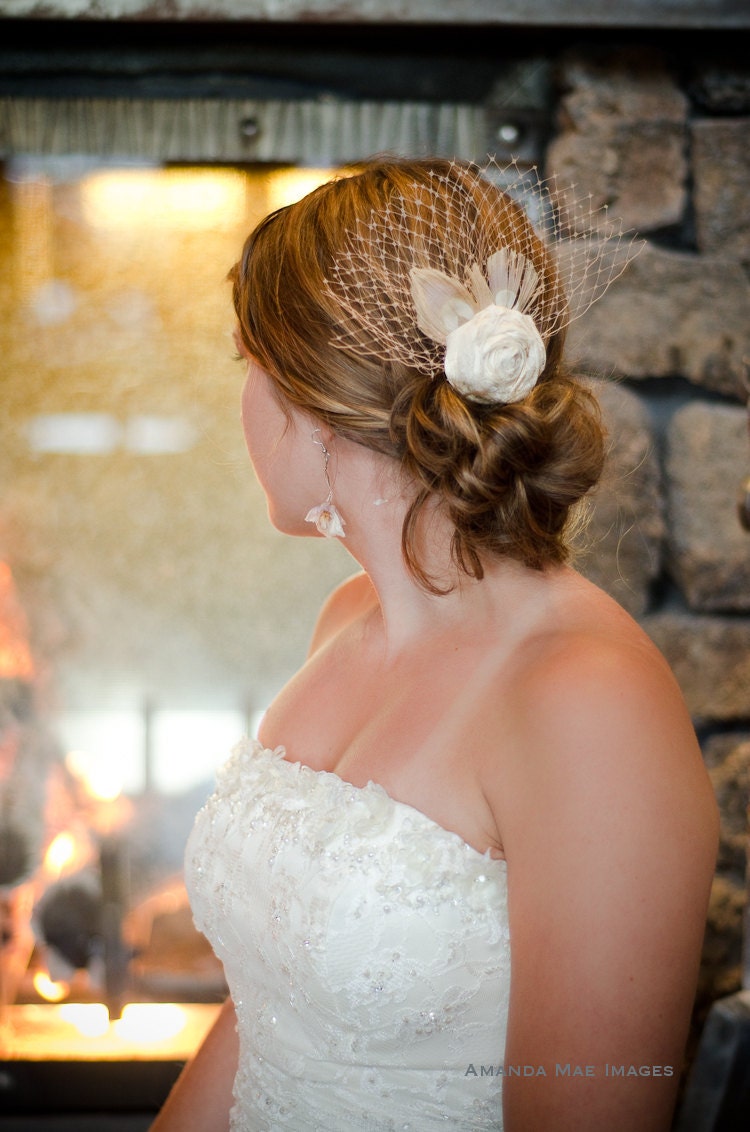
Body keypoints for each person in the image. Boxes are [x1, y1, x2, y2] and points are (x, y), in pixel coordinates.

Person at [150, 157, 718, 1132]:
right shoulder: (345, 622)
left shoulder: (588, 701)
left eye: (246, 363)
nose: (242, 399)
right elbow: (273, 1008)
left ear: (314, 398)